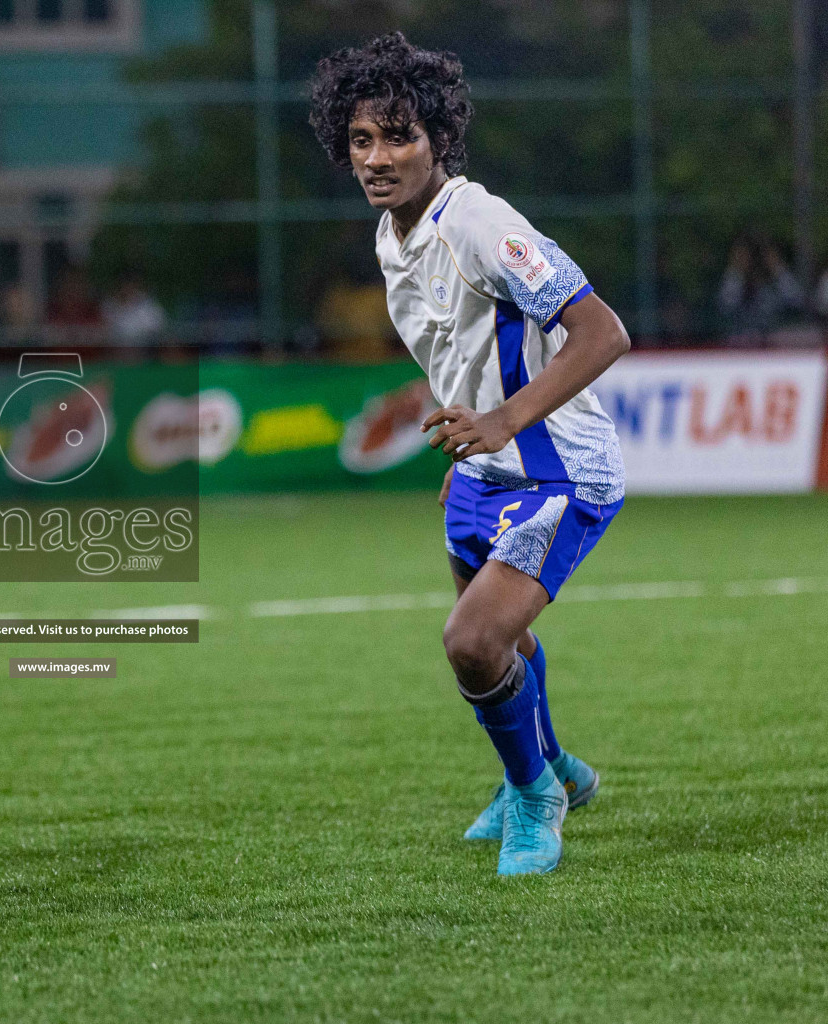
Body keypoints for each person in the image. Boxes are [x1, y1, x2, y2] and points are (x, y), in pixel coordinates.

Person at [310, 33, 630, 875]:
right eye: (361, 140)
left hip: (560, 467)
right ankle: (554, 764)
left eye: (398, 136)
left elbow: (602, 333)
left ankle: (535, 795)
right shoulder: (392, 232)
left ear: (439, 140)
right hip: (486, 469)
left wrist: (501, 423)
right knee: (505, 646)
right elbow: (465, 350)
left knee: (471, 642)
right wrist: (477, 446)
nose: (377, 158)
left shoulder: (481, 224)